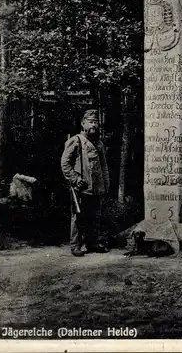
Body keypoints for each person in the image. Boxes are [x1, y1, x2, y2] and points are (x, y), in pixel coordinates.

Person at [61, 109, 110, 256]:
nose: (93, 125)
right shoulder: (76, 141)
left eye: (95, 122)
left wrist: (106, 184)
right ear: (83, 124)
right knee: (78, 217)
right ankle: (75, 246)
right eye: (90, 122)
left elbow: (104, 166)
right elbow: (65, 163)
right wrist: (75, 180)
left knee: (95, 216)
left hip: (96, 187)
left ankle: (92, 243)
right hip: (81, 187)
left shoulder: (99, 143)